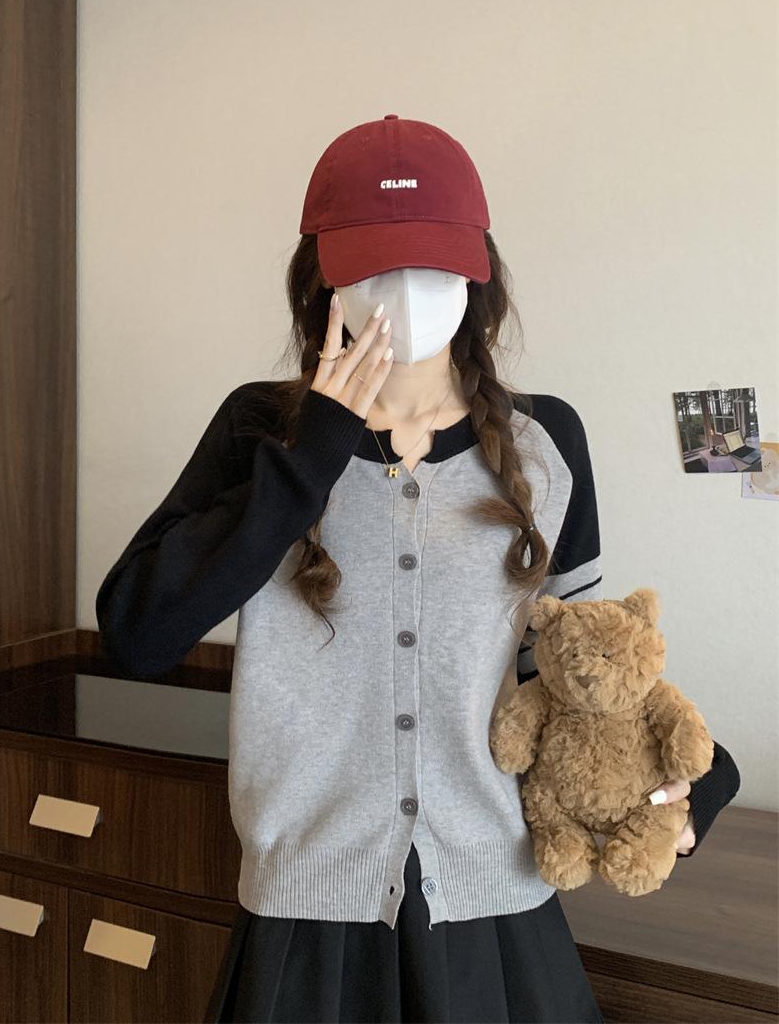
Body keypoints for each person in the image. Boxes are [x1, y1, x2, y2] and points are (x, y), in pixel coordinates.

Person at [96, 115, 741, 1024]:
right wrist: (311, 456)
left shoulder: (547, 440)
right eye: (372, 266)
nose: (403, 293)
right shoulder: (260, 430)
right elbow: (137, 632)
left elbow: (574, 669)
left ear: (479, 274)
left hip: (494, 898)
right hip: (309, 909)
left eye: (432, 266)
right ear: (320, 277)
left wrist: (698, 773)